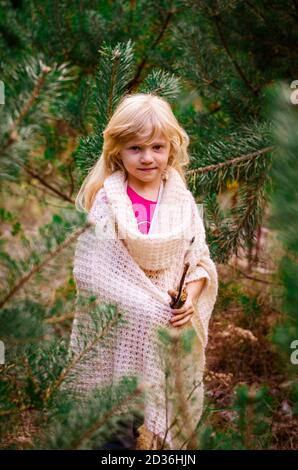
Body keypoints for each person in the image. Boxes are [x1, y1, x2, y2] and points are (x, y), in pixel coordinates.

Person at [67, 93, 218, 450]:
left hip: (166, 337)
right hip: (119, 333)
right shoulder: (110, 200)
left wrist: (189, 300)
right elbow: (93, 271)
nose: (147, 157)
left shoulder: (181, 201)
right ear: (118, 150)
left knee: (160, 433)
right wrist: (147, 307)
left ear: (171, 148)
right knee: (118, 427)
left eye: (156, 147)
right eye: (135, 148)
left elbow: (199, 262)